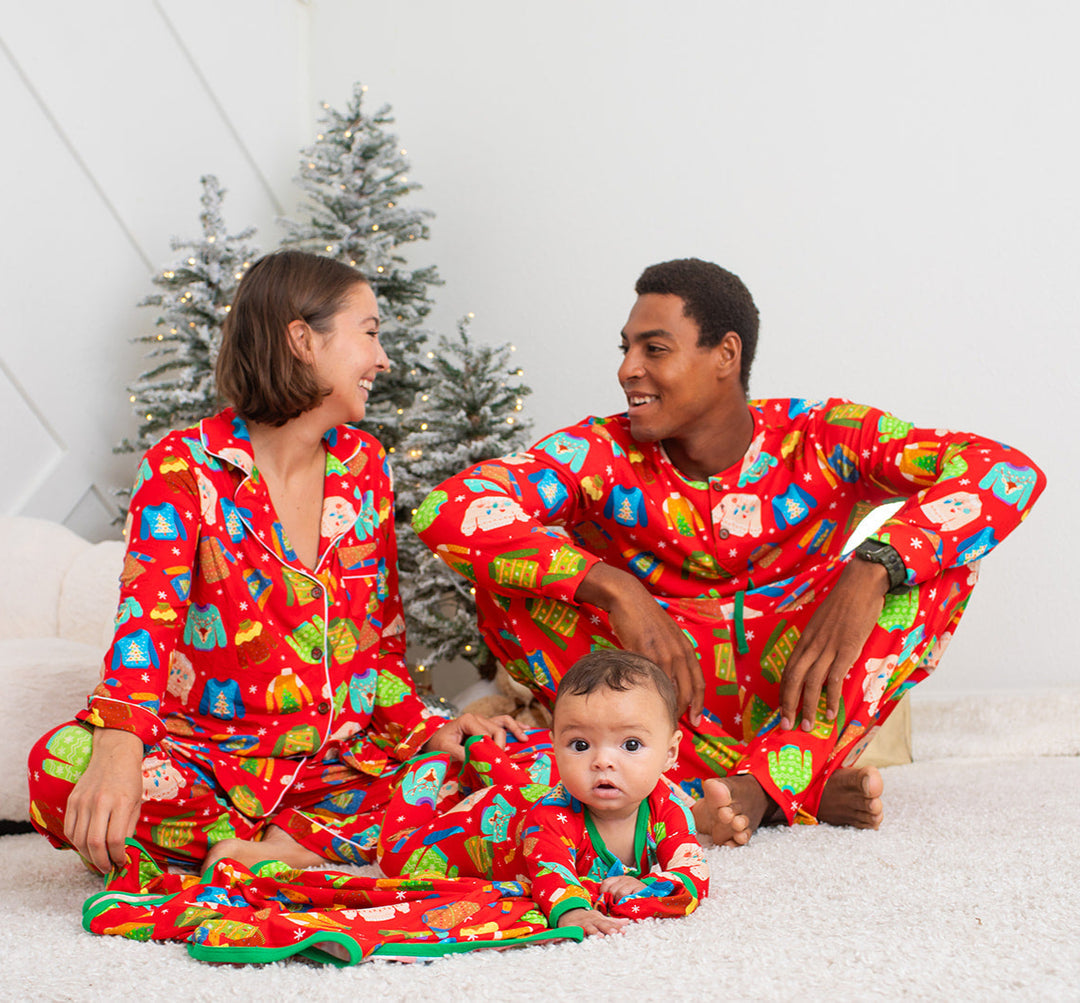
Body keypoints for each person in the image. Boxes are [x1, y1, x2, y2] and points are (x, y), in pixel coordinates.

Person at [413, 257, 1046, 848]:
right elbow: (447, 509)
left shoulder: (823, 434)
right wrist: (614, 587)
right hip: (662, 705)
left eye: (653, 349)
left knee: (943, 565)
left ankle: (766, 784)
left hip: (798, 689)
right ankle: (782, 790)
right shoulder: (599, 451)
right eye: (626, 349)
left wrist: (873, 568)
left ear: (726, 354)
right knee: (506, 577)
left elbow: (1005, 471)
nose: (627, 368)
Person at [26, 250, 525, 875]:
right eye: (369, 333)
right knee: (60, 765)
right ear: (301, 340)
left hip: (339, 772)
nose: (383, 358)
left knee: (510, 765)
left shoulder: (365, 466)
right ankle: (299, 850)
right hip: (207, 765)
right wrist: (120, 745)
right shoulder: (186, 465)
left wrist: (427, 730)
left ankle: (267, 850)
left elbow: (376, 647)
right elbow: (143, 631)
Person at [377, 650, 709, 936]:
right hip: (479, 824)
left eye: (631, 745)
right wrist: (573, 912)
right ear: (556, 747)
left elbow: (692, 869)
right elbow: (551, 876)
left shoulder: (667, 804)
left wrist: (653, 887)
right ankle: (427, 769)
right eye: (580, 745)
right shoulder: (551, 816)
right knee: (395, 856)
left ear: (669, 753)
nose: (603, 761)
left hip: (514, 797)